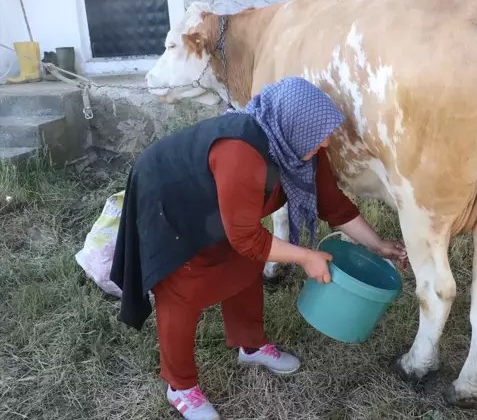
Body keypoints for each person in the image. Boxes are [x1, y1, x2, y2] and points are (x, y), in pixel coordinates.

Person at [109, 77, 407, 420]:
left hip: (218, 209)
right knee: (184, 288)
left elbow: (332, 204)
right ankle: (180, 387)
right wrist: (306, 256)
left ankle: (250, 345)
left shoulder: (299, 147)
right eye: (319, 132)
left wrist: (379, 245)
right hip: (171, 200)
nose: (325, 141)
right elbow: (247, 238)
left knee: (245, 266)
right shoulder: (241, 154)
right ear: (292, 126)